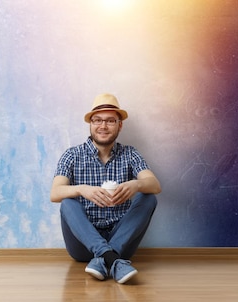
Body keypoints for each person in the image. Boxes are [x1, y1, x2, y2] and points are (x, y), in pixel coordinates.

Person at [50, 93, 161, 284]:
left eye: (110, 121)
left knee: (148, 197)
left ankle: (107, 258)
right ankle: (113, 260)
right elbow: (55, 193)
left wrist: (137, 184)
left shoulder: (130, 154)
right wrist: (82, 189)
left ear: (120, 125)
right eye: (97, 120)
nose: (103, 126)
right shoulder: (72, 155)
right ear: (91, 124)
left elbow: (155, 185)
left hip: (121, 239)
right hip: (83, 243)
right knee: (68, 201)